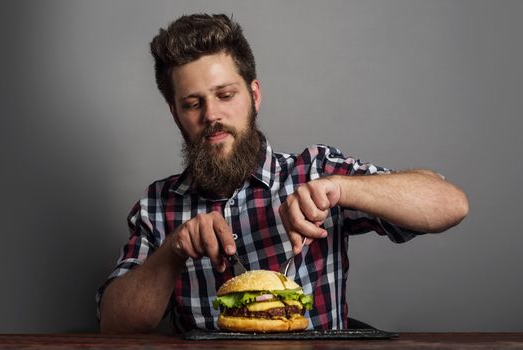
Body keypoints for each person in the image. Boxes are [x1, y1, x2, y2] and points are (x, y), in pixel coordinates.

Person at [96, 13, 468, 334]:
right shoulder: (158, 206)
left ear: (254, 95)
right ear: (176, 115)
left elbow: (450, 204)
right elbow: (114, 324)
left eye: (225, 95)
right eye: (193, 104)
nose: (211, 115)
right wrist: (173, 251)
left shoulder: (314, 171)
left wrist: (340, 189)